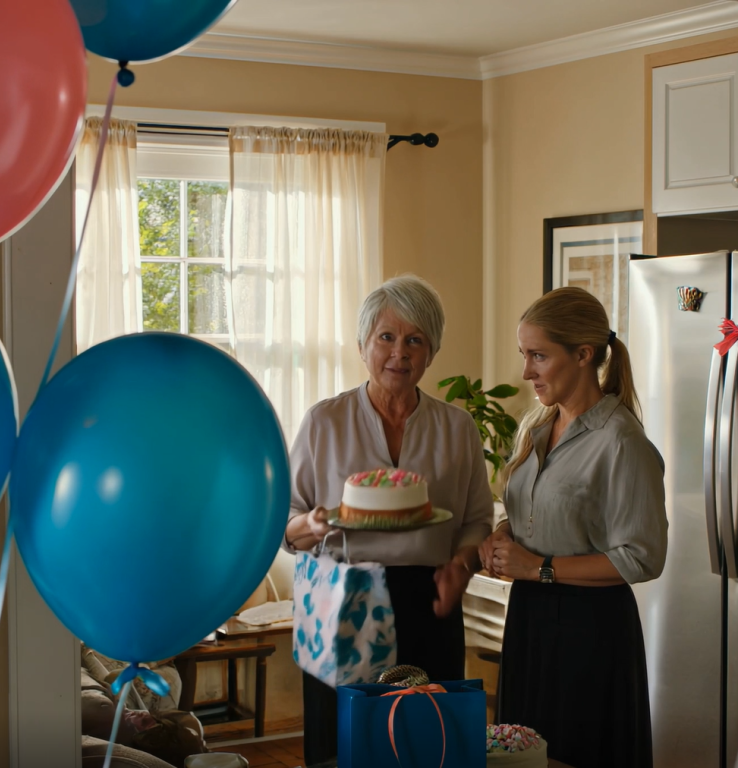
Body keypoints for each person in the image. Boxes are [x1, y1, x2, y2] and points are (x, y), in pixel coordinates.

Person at [283, 274, 494, 766]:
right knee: (343, 745)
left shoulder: (457, 427)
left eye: (415, 340)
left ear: (431, 352)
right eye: (387, 337)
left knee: (426, 743)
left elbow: (477, 521)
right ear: (363, 345)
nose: (400, 352)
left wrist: (461, 566)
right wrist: (313, 524)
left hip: (430, 601)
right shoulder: (324, 421)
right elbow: (284, 524)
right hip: (342, 601)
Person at [480, 287, 667, 768]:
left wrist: (537, 566)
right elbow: (537, 510)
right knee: (521, 758)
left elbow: (642, 558)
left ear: (583, 355)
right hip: (529, 621)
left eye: (538, 356)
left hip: (590, 633)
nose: (527, 371)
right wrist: (505, 534)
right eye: (524, 354)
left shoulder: (621, 441)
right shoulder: (537, 429)